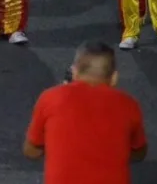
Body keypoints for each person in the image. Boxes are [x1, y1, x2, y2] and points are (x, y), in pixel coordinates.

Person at [24, 41, 147, 183]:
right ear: (114, 78)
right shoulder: (129, 104)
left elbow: (31, 151)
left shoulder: (50, 98)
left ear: (74, 72)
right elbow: (139, 153)